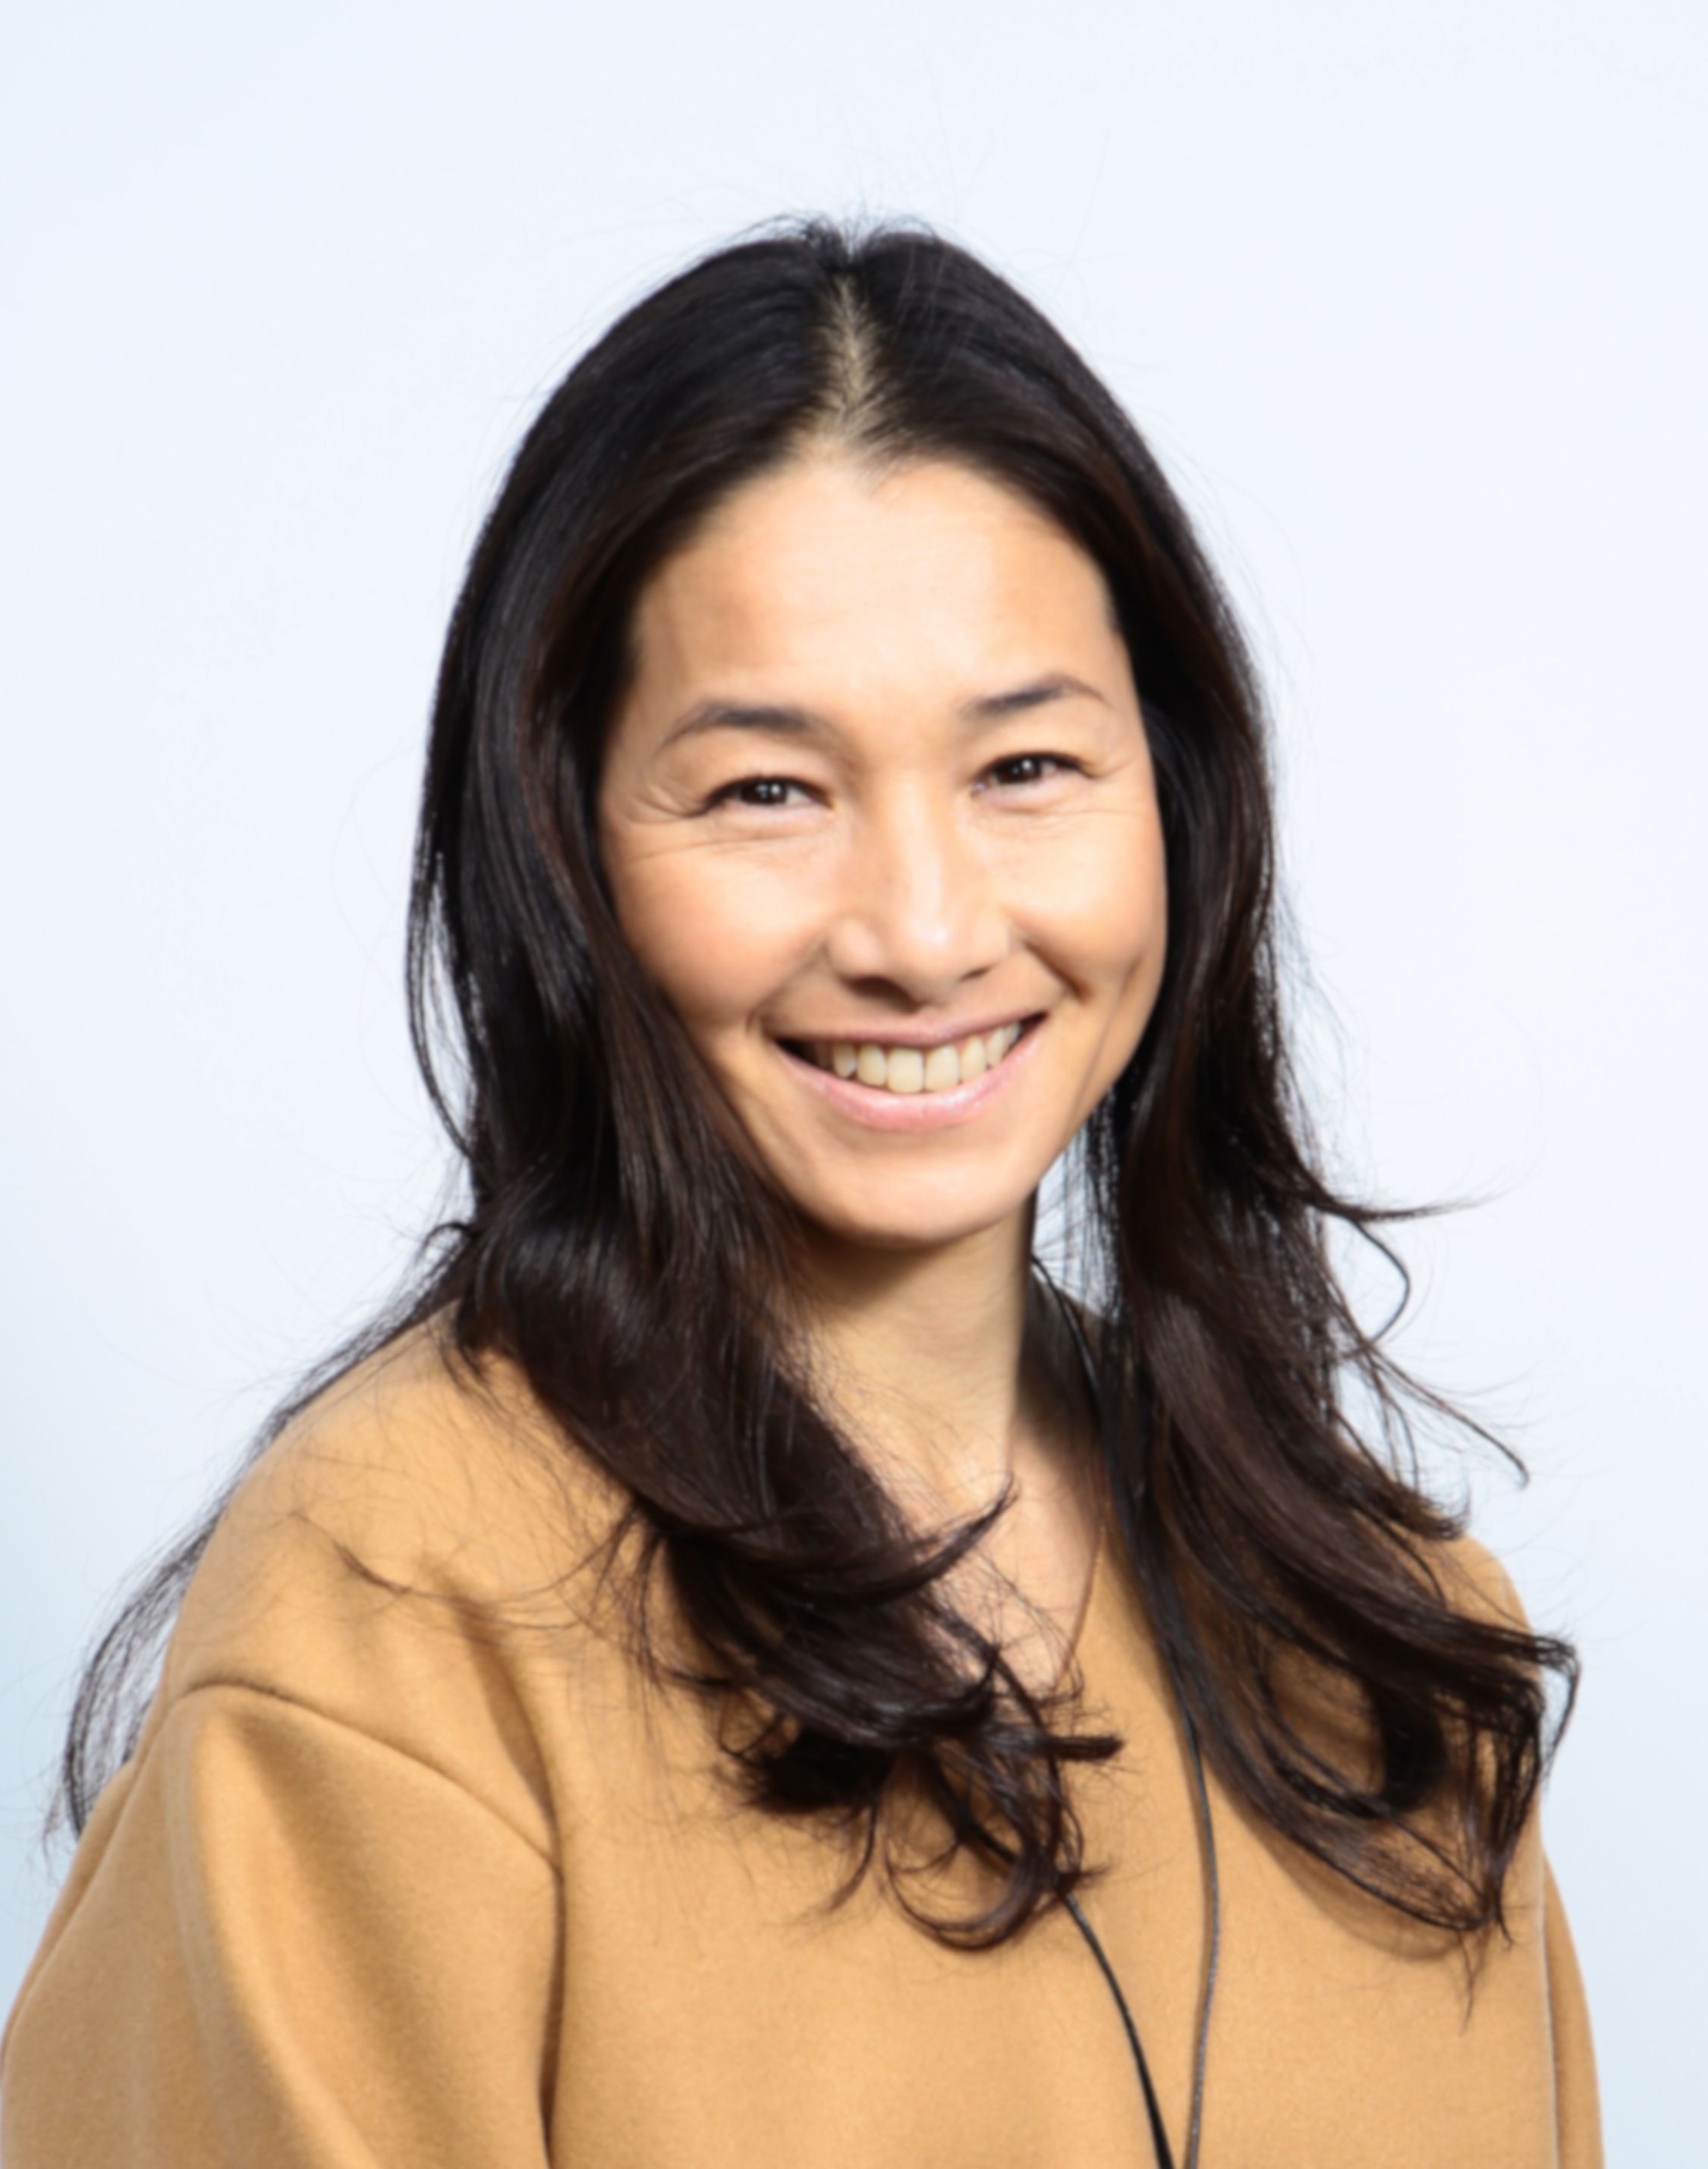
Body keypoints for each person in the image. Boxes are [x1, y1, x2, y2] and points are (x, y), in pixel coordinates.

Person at [0, 217, 1601, 2167]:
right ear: (562, 849)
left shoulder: (1393, 1640)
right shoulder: (397, 1616)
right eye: (767, 789)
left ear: (1177, 808)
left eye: (1025, 765)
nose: (922, 931)